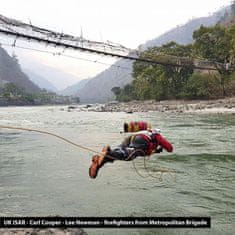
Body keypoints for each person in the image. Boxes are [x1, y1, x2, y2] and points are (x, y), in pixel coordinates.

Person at [89, 129, 173, 179]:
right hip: (140, 141)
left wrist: (156, 151)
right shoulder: (157, 136)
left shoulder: (147, 133)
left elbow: (146, 152)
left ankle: (102, 160)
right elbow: (169, 148)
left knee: (120, 151)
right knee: (127, 156)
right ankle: (107, 153)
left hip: (131, 139)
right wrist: (163, 145)